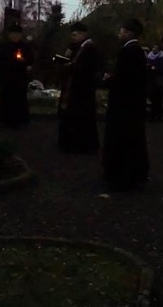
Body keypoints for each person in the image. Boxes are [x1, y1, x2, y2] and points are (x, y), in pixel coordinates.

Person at [100, 18, 149, 193]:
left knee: (122, 140)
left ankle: (121, 176)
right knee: (133, 139)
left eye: (121, 31)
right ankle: (132, 174)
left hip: (124, 106)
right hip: (133, 106)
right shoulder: (137, 52)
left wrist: (109, 80)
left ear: (129, 33)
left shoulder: (128, 52)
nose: (119, 34)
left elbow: (123, 80)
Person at [57, 22, 102, 154]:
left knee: (82, 118)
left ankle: (81, 145)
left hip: (82, 90)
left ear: (83, 34)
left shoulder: (90, 48)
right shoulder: (78, 48)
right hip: (75, 88)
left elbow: (87, 69)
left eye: (75, 35)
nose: (73, 37)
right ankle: (72, 143)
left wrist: (71, 66)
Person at [0, 24, 34, 128]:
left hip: (20, 77)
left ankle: (20, 120)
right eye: (13, 34)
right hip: (7, 77)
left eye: (17, 34)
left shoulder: (25, 47)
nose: (15, 36)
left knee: (19, 99)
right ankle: (4, 119)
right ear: (9, 35)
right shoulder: (4, 47)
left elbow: (30, 61)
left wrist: (25, 62)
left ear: (20, 35)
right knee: (6, 99)